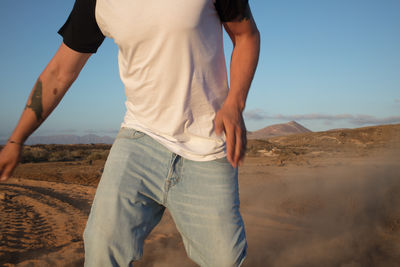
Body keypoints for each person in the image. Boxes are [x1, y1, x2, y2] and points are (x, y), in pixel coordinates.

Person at [0, 0, 260, 265]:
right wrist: (16, 139)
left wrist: (234, 104)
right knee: (102, 246)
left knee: (226, 260)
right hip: (140, 138)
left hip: (208, 146)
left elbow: (246, 35)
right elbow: (59, 72)